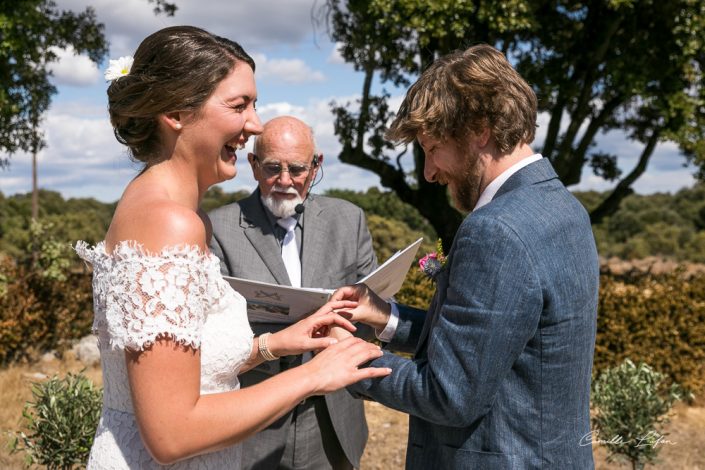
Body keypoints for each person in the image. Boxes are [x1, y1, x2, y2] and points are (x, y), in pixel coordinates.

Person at [74, 25, 390, 469]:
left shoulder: (167, 210)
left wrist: (274, 345)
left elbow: (179, 369)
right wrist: (312, 375)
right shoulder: (169, 222)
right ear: (177, 112)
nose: (255, 125)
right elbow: (171, 433)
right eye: (239, 105)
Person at [330, 44, 599, 469]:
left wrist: (347, 357)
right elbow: (489, 345)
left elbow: (449, 394)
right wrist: (387, 318)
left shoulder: (495, 230)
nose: (428, 172)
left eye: (433, 148)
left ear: (479, 129)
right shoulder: (564, 208)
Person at [209, 115, 378, 470]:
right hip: (255, 422)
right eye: (272, 168)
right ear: (253, 165)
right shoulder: (216, 228)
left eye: (297, 169)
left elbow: (374, 307)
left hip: (333, 422)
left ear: (317, 166)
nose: (285, 181)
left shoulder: (349, 219)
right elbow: (209, 337)